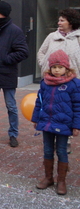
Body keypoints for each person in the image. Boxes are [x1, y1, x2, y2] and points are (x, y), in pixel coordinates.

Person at [31, 50, 80, 195]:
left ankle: (62, 180)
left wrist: (77, 125)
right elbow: (39, 102)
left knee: (61, 151)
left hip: (64, 124)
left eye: (60, 67)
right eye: (54, 67)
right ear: (50, 68)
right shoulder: (45, 83)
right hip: (46, 122)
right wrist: (35, 118)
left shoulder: (73, 84)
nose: (57, 70)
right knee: (47, 150)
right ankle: (48, 177)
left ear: (66, 68)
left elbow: (78, 106)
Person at [0, 1, 29, 147]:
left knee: (11, 106)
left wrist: (5, 59)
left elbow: (23, 52)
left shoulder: (15, 31)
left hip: (7, 74)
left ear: (2, 13)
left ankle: (13, 134)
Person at [36, 8, 80, 154]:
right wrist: (44, 64)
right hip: (51, 80)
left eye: (62, 20)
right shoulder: (51, 36)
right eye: (59, 20)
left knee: (66, 110)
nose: (59, 22)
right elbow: (41, 52)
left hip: (71, 82)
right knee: (52, 107)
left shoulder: (78, 37)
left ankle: (65, 140)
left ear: (71, 22)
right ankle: (50, 135)